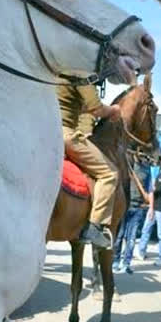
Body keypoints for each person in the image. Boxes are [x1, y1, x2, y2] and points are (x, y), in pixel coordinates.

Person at [57, 84, 121, 249]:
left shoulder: (54, 70)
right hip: (63, 134)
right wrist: (113, 110)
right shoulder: (80, 70)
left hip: (42, 130)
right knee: (110, 173)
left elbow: (74, 105)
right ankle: (95, 227)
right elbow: (97, 108)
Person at [112, 157, 151, 274]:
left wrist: (150, 207)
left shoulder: (146, 169)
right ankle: (116, 261)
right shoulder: (126, 165)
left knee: (131, 238)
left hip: (137, 207)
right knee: (119, 237)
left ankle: (125, 263)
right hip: (125, 206)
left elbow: (150, 189)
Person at [137, 154, 161, 265]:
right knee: (146, 229)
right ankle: (141, 251)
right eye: (160, 160)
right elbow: (152, 191)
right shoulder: (158, 174)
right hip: (154, 207)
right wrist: (151, 207)